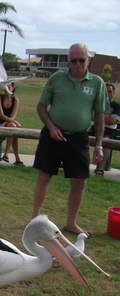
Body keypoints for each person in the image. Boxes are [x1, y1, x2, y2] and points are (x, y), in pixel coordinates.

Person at [31, 43, 106, 236]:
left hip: (79, 138)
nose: (79, 64)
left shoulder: (97, 83)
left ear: (88, 60)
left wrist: (98, 145)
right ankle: (35, 219)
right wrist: (51, 126)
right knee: (44, 176)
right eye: (74, 60)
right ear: (68, 61)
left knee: (79, 181)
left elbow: (99, 116)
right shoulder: (57, 78)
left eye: (82, 60)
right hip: (53, 135)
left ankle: (71, 223)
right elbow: (41, 107)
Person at [95, 83, 120, 176]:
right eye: (105, 91)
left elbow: (112, 121)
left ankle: (100, 169)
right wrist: (105, 117)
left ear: (113, 93)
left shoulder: (116, 106)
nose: (107, 94)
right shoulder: (97, 103)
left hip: (110, 132)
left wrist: (98, 116)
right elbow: (90, 116)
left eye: (109, 91)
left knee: (105, 142)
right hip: (94, 129)